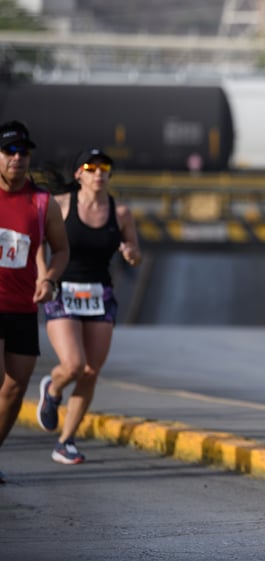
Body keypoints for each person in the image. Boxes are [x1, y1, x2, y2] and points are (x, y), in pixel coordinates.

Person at [36, 148, 141, 464]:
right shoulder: (61, 205)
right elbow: (40, 242)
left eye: (104, 168)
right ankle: (53, 389)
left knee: (91, 371)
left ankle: (65, 442)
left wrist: (130, 253)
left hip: (100, 294)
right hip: (64, 290)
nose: (98, 173)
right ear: (79, 174)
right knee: (74, 365)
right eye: (91, 168)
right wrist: (44, 277)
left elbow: (135, 250)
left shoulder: (119, 212)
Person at [0, 121, 69, 483]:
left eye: (22, 152)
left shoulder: (43, 203)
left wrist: (49, 278)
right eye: (9, 151)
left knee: (14, 387)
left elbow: (60, 250)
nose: (16, 158)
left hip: (23, 307)